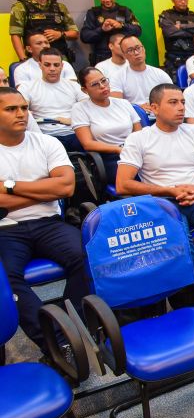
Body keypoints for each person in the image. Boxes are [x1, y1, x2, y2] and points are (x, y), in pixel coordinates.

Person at [117, 84, 194, 305]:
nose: (181, 108)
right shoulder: (140, 139)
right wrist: (170, 189)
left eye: (182, 102)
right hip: (162, 204)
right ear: (154, 107)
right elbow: (123, 184)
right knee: (180, 238)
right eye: (173, 102)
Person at [0, 86, 90, 356]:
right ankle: (55, 339)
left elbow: (66, 188)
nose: (21, 114)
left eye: (24, 108)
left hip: (49, 223)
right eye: (11, 109)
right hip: (6, 230)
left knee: (86, 256)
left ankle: (71, 322)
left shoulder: (47, 143)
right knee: (7, 279)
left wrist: (10, 185)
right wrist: (43, 189)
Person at [73, 67, 141, 183]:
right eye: (95, 84)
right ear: (85, 90)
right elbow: (88, 144)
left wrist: (133, 148)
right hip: (109, 157)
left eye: (104, 80)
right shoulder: (80, 109)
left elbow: (139, 132)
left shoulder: (123, 103)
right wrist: (118, 149)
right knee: (135, 179)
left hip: (134, 151)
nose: (102, 86)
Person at [18, 49, 85, 152]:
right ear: (40, 65)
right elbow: (21, 111)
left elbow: (89, 108)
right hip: (45, 136)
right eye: (47, 65)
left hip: (75, 132)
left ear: (62, 66)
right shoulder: (27, 87)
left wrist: (73, 121)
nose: (52, 69)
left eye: (56, 65)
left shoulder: (74, 86)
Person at [9, 0, 78, 62]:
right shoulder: (20, 7)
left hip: (61, 59)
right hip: (35, 60)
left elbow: (75, 33)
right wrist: (23, 60)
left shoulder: (60, 7)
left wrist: (60, 34)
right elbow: (15, 35)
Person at [80, 0, 142, 65]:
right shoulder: (93, 13)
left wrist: (122, 26)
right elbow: (84, 37)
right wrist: (101, 29)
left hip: (125, 56)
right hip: (101, 58)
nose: (107, 0)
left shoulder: (124, 11)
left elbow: (138, 31)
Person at [109, 36, 172, 112]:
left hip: (159, 113)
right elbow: (117, 105)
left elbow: (172, 98)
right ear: (124, 55)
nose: (136, 53)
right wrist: (138, 108)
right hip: (133, 116)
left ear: (144, 49)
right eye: (130, 50)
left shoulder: (160, 74)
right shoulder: (117, 77)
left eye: (138, 48)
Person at [158, 0, 194, 82]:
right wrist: (193, 28)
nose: (183, 1)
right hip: (174, 59)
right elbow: (170, 32)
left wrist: (181, 27)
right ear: (173, 0)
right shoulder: (166, 15)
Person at [12, 32, 77, 88]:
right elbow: (23, 95)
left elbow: (73, 88)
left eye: (46, 43)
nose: (45, 46)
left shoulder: (65, 64)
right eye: (39, 43)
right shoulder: (21, 69)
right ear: (29, 49)